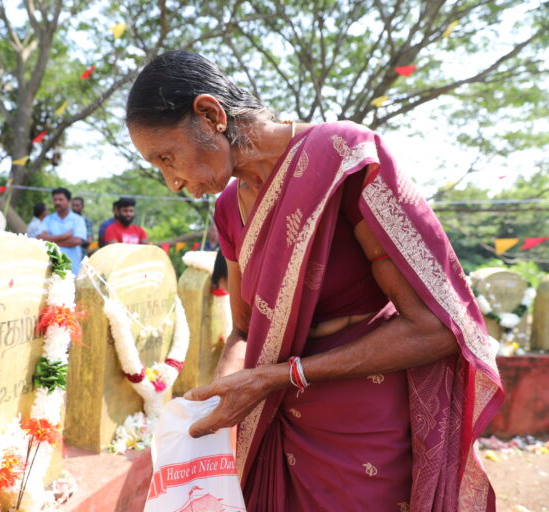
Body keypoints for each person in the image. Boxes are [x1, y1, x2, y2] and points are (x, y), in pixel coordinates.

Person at [125, 50, 502, 511]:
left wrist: (280, 376)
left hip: (364, 419)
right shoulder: (228, 209)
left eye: (167, 158)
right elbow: (243, 329)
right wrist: (223, 394)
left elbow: (435, 327)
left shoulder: (343, 158)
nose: (172, 182)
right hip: (278, 417)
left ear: (210, 115)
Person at [38, 187, 87, 275]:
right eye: (55, 200)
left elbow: (77, 241)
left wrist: (51, 241)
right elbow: (40, 238)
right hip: (50, 267)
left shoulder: (78, 220)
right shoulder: (48, 219)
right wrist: (64, 236)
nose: (57, 202)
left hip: (72, 268)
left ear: (69, 201)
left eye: (60, 199)